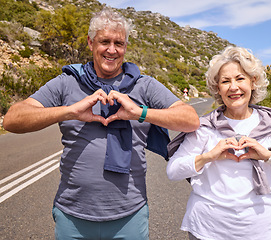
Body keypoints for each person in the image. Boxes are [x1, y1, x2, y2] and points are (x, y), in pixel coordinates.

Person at [3, 7, 200, 240]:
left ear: (126, 46)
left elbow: (190, 119)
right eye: (104, 41)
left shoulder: (145, 85)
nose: (112, 49)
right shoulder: (67, 83)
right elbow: (12, 120)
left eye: (119, 43)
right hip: (72, 217)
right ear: (90, 43)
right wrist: (70, 111)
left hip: (130, 216)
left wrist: (139, 112)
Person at [166, 46, 271, 240]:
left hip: (267, 231)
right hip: (208, 230)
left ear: (253, 82)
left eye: (240, 79)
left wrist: (269, 155)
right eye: (225, 81)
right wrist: (209, 156)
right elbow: (173, 171)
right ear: (217, 88)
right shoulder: (205, 128)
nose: (233, 87)